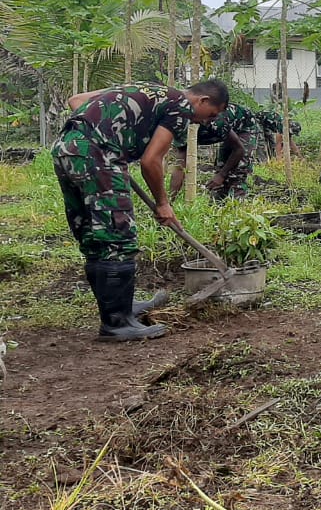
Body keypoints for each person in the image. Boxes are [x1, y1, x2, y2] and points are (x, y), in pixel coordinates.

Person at [53, 80, 229, 341]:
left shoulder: (144, 88)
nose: (205, 122)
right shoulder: (180, 107)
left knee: (94, 236)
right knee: (119, 237)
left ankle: (121, 307)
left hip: (66, 150)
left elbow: (76, 101)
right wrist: (163, 203)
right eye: (211, 114)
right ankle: (117, 323)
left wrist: (110, 141)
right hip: (98, 157)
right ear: (202, 101)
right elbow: (150, 161)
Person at [168, 102, 257, 200]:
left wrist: (221, 175)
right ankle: (218, 205)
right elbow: (180, 166)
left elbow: (239, 149)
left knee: (238, 170)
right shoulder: (180, 130)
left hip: (244, 127)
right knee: (221, 167)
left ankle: (238, 204)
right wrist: (170, 200)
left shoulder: (215, 121)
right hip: (226, 132)